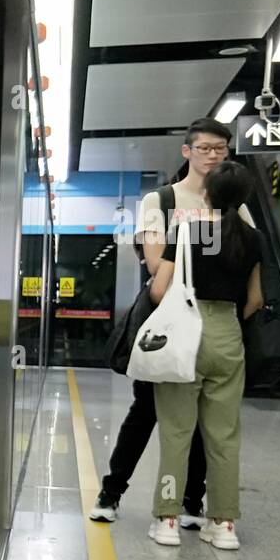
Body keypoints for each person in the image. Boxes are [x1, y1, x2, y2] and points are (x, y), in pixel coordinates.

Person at [88, 117, 254, 528]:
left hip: (213, 323)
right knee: (146, 409)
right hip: (169, 321)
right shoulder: (160, 199)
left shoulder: (239, 207)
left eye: (221, 149)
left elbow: (246, 261)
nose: (213, 155)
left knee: (203, 416)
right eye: (205, 148)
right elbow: (154, 260)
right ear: (187, 152)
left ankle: (190, 501)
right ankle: (111, 493)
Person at [147, 158, 263, 549]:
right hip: (228, 334)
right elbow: (255, 300)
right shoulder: (253, 239)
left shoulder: (185, 230)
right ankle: (224, 524)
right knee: (225, 436)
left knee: (177, 433)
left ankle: (167, 519)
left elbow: (160, 291)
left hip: (187, 334)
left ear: (206, 194)